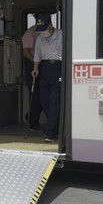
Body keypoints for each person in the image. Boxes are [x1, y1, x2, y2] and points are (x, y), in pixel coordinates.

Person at [31, 13, 62, 143]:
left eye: (44, 29)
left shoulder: (61, 35)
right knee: (44, 101)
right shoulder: (39, 38)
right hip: (44, 68)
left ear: (50, 25)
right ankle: (55, 127)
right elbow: (37, 55)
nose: (42, 32)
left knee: (55, 101)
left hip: (58, 67)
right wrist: (35, 68)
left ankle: (51, 132)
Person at [21, 11, 45, 132]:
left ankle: (31, 115)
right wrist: (37, 63)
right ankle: (32, 121)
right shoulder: (29, 33)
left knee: (43, 94)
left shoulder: (44, 31)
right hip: (32, 64)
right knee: (35, 95)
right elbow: (26, 52)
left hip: (41, 63)